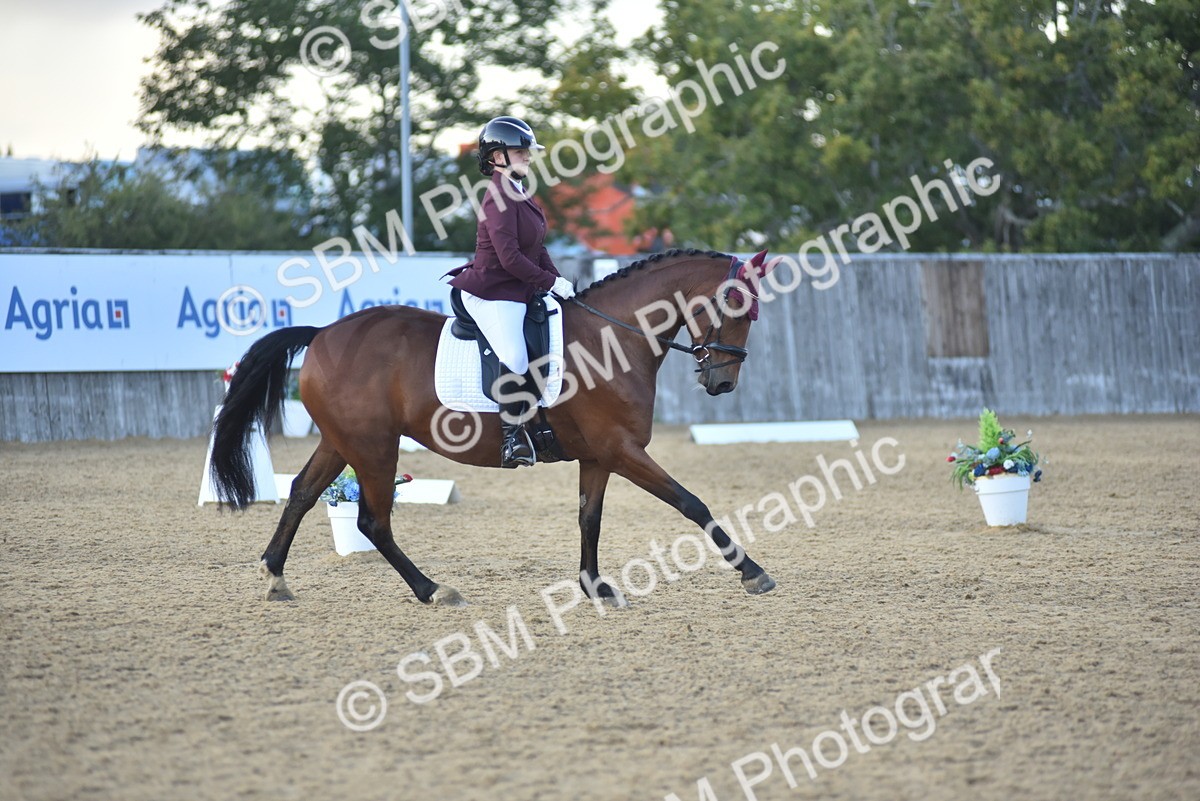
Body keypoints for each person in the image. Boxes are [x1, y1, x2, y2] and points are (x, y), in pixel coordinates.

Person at [447, 116, 575, 468]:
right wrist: (549, 283)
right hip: (492, 290)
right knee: (516, 358)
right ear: (496, 157)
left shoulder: (519, 193)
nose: (528, 156)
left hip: (516, 289)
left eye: (527, 151)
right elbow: (509, 258)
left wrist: (559, 281)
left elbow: (536, 249)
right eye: (520, 151)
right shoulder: (497, 197)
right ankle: (510, 438)